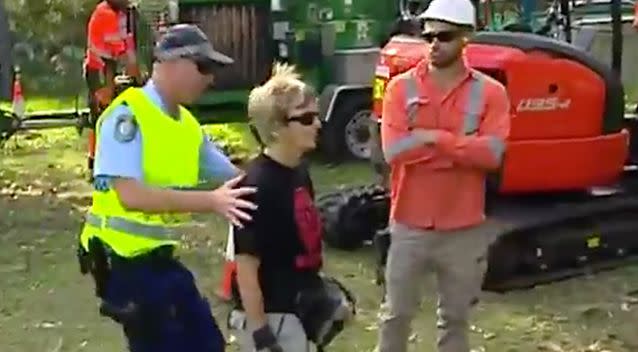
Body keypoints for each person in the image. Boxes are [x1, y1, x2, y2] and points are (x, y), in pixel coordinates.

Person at [76, 23, 256, 352]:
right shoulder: (127, 117)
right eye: (203, 67)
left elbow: (232, 174)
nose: (210, 78)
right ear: (170, 63)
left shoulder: (186, 125)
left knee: (207, 343)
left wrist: (273, 179)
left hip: (158, 262)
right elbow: (130, 196)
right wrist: (212, 202)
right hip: (122, 264)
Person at [375, 0, 511, 351]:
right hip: (409, 224)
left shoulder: (491, 93)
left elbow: (492, 154)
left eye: (445, 36)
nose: (433, 43)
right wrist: (462, 148)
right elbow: (394, 152)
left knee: (455, 319)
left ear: (466, 38)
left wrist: (431, 138)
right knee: (396, 316)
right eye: (428, 35)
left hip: (463, 229)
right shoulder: (399, 89)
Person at [226, 63, 354, 352]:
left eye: (316, 115)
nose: (318, 124)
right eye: (306, 118)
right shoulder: (255, 187)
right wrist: (261, 335)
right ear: (276, 128)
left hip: (298, 310)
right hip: (272, 316)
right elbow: (246, 269)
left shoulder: (299, 171)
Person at [83, 0, 141, 179]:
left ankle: (110, 161)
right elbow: (120, 50)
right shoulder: (105, 14)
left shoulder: (121, 14)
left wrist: (135, 65)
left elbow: (127, 42)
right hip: (99, 69)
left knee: (112, 115)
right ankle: (96, 165)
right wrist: (134, 70)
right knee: (101, 116)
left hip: (110, 68)